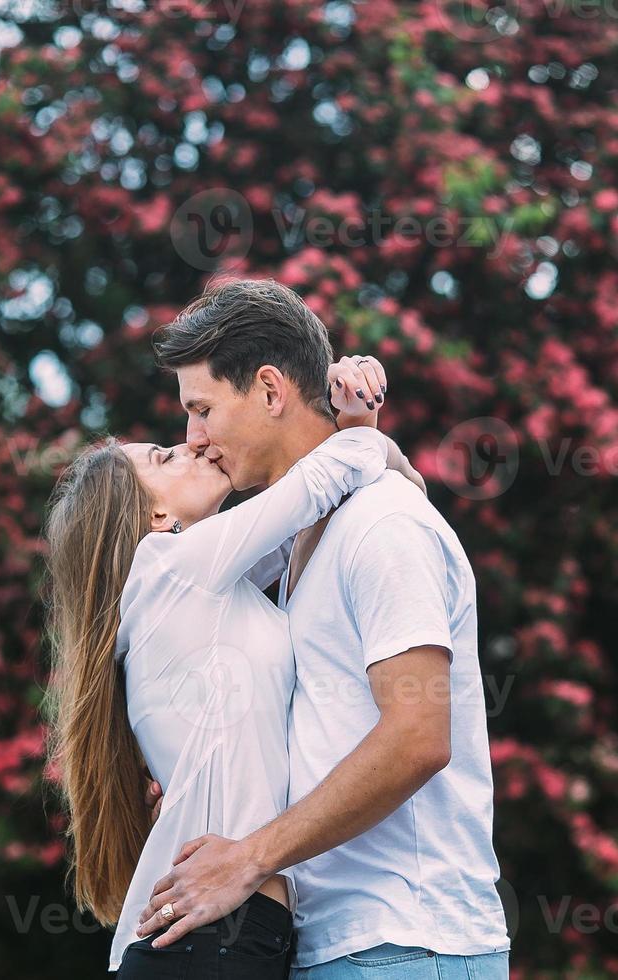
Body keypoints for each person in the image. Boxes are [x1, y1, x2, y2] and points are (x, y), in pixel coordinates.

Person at [134, 279, 510, 978]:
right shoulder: (306, 536)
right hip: (338, 942)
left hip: (406, 943)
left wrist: (250, 857)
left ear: (271, 391)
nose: (192, 437)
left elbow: (419, 738)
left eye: (203, 409)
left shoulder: (381, 523)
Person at [43, 337, 422, 977]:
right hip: (212, 939)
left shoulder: (209, 590)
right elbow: (324, 480)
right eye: (165, 456)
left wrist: (351, 426)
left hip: (229, 934)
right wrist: (363, 429)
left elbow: (314, 519)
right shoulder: (172, 568)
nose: (192, 444)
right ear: (156, 514)